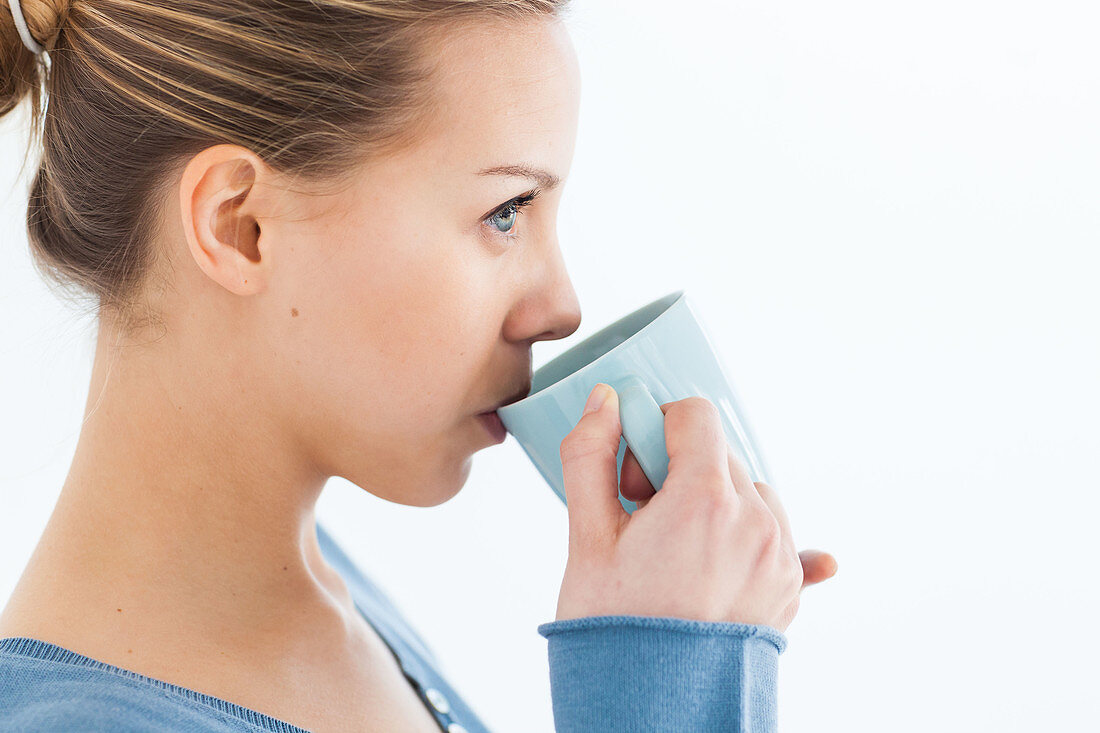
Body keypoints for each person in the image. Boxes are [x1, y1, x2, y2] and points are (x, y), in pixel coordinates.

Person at [0, 0, 838, 731]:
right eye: (505, 212)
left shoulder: (328, 597)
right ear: (240, 226)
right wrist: (673, 680)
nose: (562, 304)